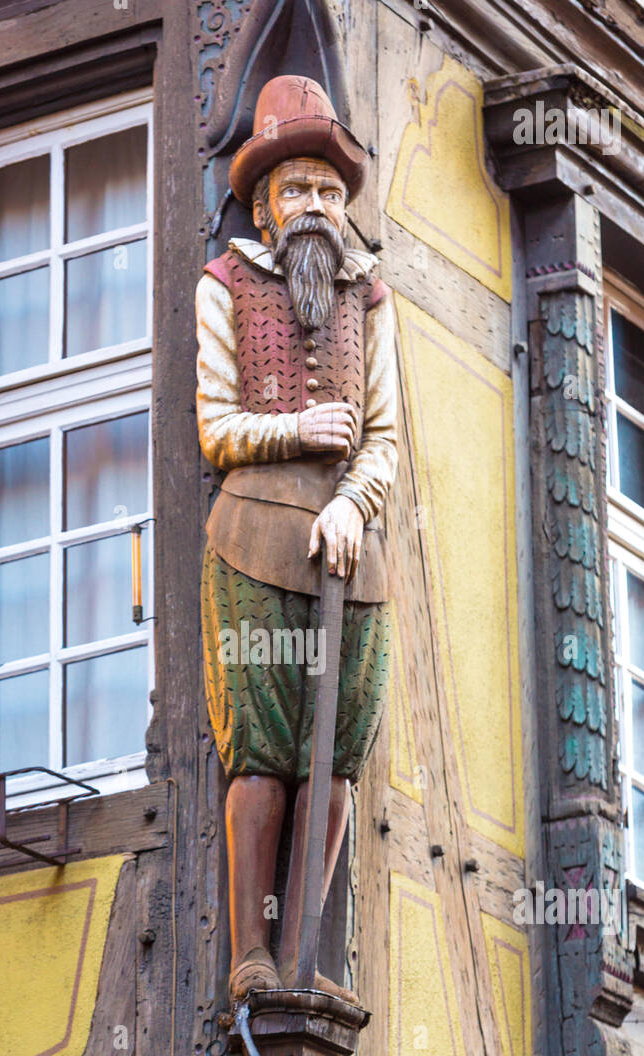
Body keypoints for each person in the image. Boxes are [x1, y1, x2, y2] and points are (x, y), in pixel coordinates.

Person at [196, 74, 398, 1004]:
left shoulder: (372, 297)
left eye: (327, 191)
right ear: (265, 207)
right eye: (295, 192)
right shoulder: (228, 283)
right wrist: (296, 432)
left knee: (337, 749)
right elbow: (216, 429)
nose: (313, 206)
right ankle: (252, 953)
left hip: (349, 555)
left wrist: (354, 502)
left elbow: (388, 436)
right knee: (265, 745)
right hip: (251, 540)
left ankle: (308, 955)